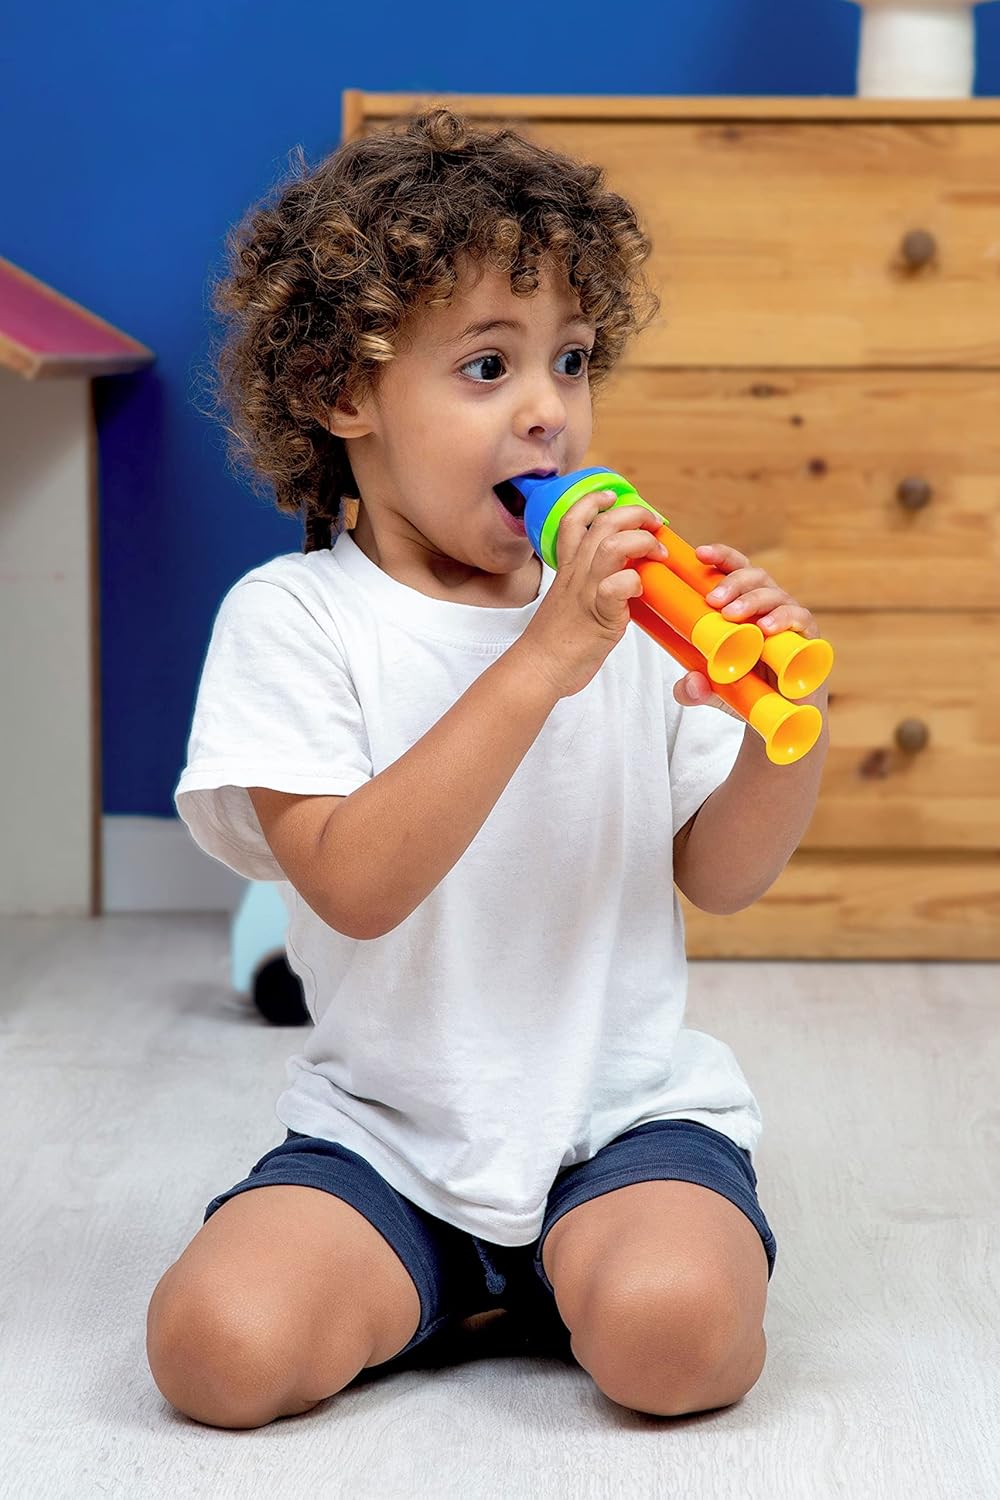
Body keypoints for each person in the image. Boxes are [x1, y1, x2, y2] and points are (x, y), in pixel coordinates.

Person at [149, 106, 829, 1431]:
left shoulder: (627, 613)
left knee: (680, 1342)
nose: (547, 412)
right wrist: (538, 664)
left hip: (622, 1124)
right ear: (342, 394)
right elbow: (353, 887)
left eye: (570, 360)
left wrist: (772, 730)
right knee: (213, 1352)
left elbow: (723, 876)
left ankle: (578, 1270)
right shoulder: (296, 622)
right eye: (486, 367)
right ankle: (459, 1284)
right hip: (386, 1141)